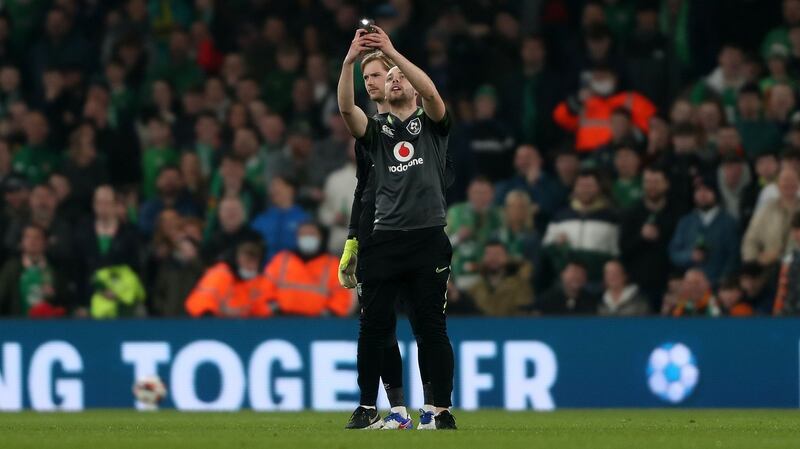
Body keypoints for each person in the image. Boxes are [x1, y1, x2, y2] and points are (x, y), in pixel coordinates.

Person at [338, 26, 456, 429]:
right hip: (384, 240)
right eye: (387, 78)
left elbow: (433, 93)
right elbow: (346, 111)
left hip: (428, 238)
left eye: (396, 75)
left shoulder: (432, 124)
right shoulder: (377, 134)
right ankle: (371, 407)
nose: (393, 79)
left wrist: (390, 50)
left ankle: (439, 411)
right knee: (374, 327)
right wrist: (350, 60)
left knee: (431, 328)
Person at [552, 63, 656, 153]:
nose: (600, 81)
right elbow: (560, 118)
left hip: (622, 153)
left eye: (604, 77)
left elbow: (654, 126)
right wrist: (576, 101)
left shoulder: (632, 100)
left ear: (615, 78)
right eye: (597, 78)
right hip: (587, 155)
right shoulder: (585, 102)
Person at [542, 169, 619, 284]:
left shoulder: (611, 217)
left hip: (597, 283)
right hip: (566, 282)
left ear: (598, 188)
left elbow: (615, 252)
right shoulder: (560, 217)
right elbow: (546, 246)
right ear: (574, 188)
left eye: (589, 186)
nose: (585, 190)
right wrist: (556, 244)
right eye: (581, 186)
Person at [619, 165, 679, 306]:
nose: (651, 186)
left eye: (656, 182)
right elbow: (623, 247)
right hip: (638, 285)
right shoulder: (632, 212)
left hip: (668, 284)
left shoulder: (677, 212)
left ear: (666, 184)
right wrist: (641, 237)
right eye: (647, 182)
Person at [263, 222, 352, 317]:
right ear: (297, 237)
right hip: (281, 320)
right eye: (303, 234)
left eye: (312, 234)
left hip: (318, 325)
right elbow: (265, 286)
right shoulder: (282, 259)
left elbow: (341, 296)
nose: (307, 237)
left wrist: (329, 314)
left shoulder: (333, 264)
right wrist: (273, 308)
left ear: (321, 237)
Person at [669, 177, 740, 286]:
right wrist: (690, 256)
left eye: (707, 190)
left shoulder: (729, 223)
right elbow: (674, 252)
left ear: (715, 193)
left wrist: (722, 280)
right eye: (698, 190)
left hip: (718, 287)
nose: (702, 194)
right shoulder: (686, 222)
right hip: (689, 287)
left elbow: (733, 257)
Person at [185, 240, 274, 318]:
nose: (249, 265)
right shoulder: (220, 274)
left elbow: (263, 310)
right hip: (208, 324)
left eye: (253, 260)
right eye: (246, 259)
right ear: (237, 258)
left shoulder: (258, 281)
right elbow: (201, 302)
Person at [0, 224, 70, 317]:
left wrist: (53, 296)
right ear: (21, 242)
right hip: (16, 326)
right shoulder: (11, 269)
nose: (32, 241)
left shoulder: (55, 269)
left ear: (45, 243)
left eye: (37, 237)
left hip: (48, 327)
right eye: (28, 237)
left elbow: (65, 304)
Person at [446, 177, 503, 289]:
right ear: (469, 193)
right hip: (459, 271)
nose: (480, 197)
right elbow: (440, 246)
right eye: (476, 192)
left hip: (489, 270)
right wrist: (458, 237)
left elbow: (505, 242)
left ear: (492, 195)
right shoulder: (455, 213)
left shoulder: (498, 215)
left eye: (484, 193)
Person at [742, 166, 800, 268]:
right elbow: (750, 239)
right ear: (777, 184)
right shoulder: (766, 209)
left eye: (792, 180)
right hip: (768, 267)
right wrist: (753, 263)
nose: (788, 183)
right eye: (785, 180)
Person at [250, 175, 309, 261]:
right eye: (271, 186)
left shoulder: (304, 219)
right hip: (267, 269)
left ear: (290, 189)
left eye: (277, 185)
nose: (272, 189)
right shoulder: (263, 218)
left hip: (293, 269)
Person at [467, 240, 533, 316]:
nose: (493, 258)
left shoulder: (520, 286)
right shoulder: (475, 289)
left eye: (498, 254)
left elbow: (525, 315)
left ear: (507, 257)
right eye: (489, 254)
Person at [533, 261, 598, 315]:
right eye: (573, 273)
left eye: (581, 274)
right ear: (562, 274)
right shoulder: (545, 301)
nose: (577, 277)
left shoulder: (592, 302)